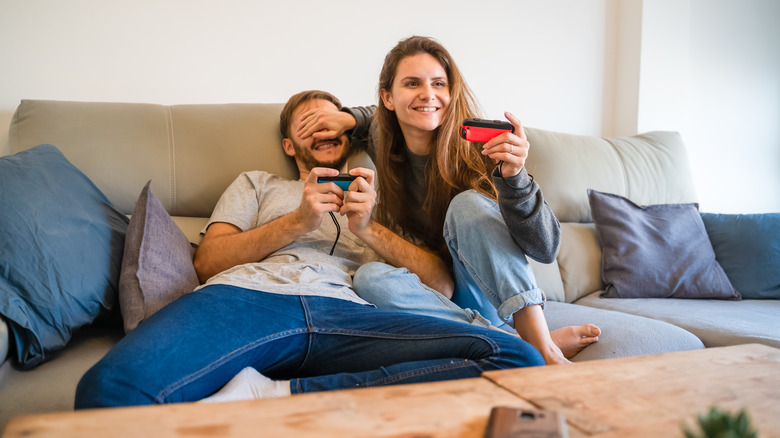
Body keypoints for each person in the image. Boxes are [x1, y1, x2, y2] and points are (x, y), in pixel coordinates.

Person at [74, 90, 544, 408]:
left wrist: (369, 228)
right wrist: (298, 220)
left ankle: (275, 395)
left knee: (518, 359)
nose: (322, 127)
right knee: (109, 390)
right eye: (307, 121)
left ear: (347, 133)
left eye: (330, 119)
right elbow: (207, 262)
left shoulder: (382, 196)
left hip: (357, 314)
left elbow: (440, 285)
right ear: (288, 142)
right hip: (248, 301)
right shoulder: (257, 184)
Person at [296, 36, 600, 365]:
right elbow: (372, 119)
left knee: (467, 204)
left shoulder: (483, 150)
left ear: (451, 92)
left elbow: (546, 249)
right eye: (412, 83)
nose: (428, 94)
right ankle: (507, 342)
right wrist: (350, 118)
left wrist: (516, 178)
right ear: (388, 97)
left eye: (439, 83)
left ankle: (543, 349)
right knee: (370, 278)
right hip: (444, 300)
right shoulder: (384, 141)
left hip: (497, 294)